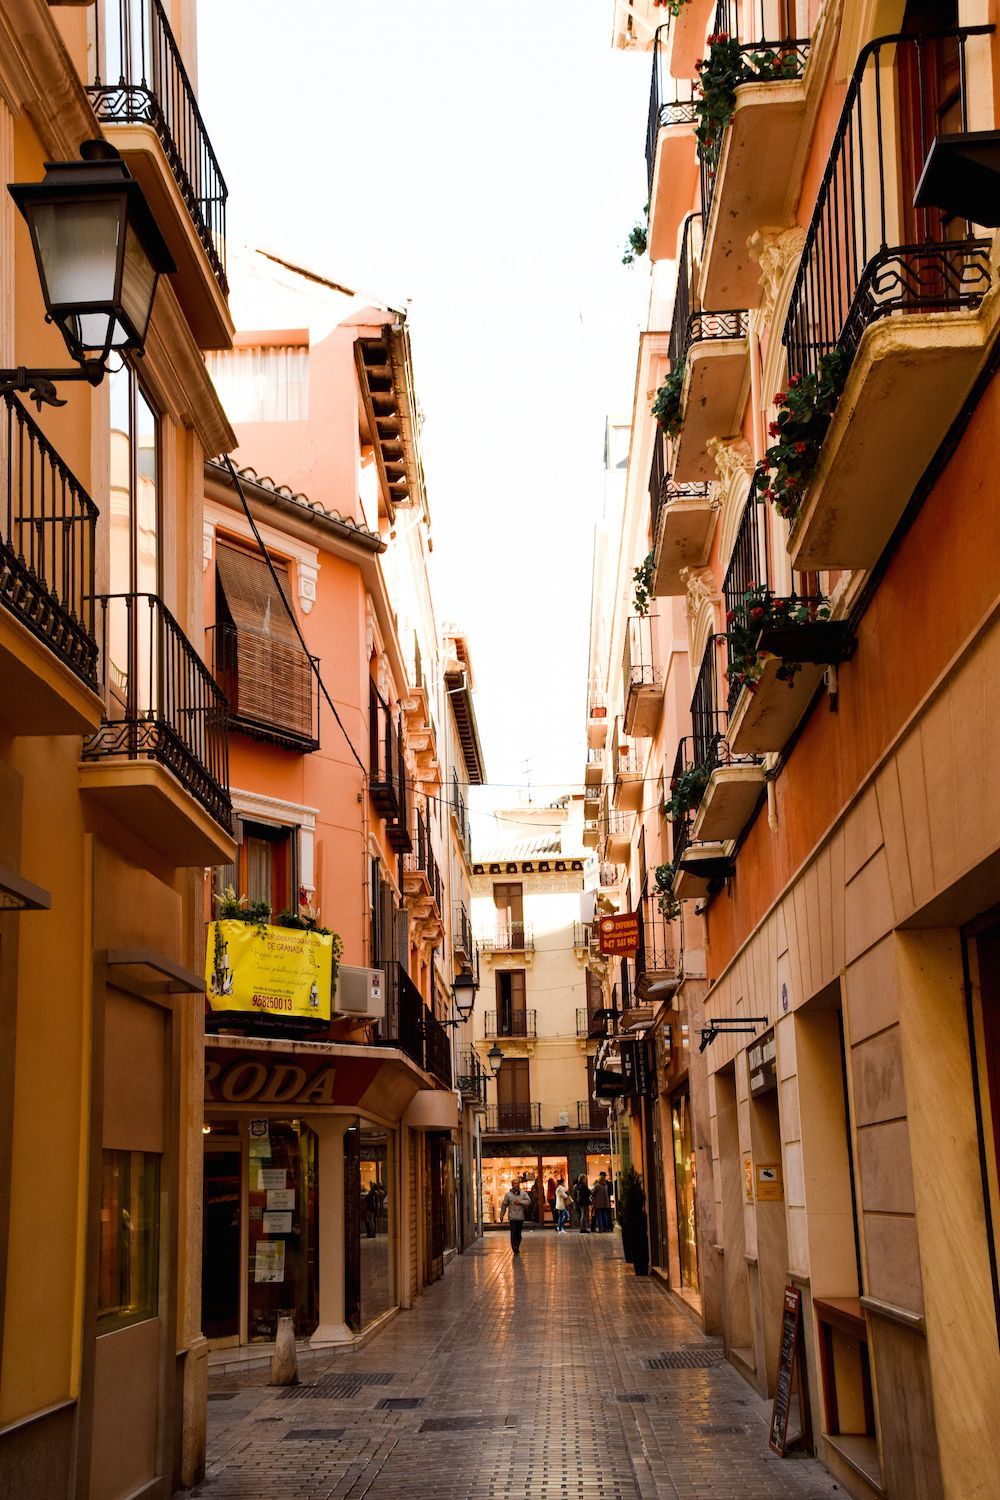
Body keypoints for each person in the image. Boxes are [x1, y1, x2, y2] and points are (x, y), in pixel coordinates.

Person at [499, 1178, 531, 1254]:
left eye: (517, 1183)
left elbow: (529, 1201)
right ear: (512, 1185)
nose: (516, 1185)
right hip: (512, 1217)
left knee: (518, 1234)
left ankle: (517, 1245)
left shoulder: (523, 1193)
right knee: (513, 1232)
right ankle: (515, 1247)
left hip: (520, 1217)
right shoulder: (508, 1195)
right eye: (515, 1183)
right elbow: (504, 1205)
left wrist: (520, 1202)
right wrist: (501, 1215)